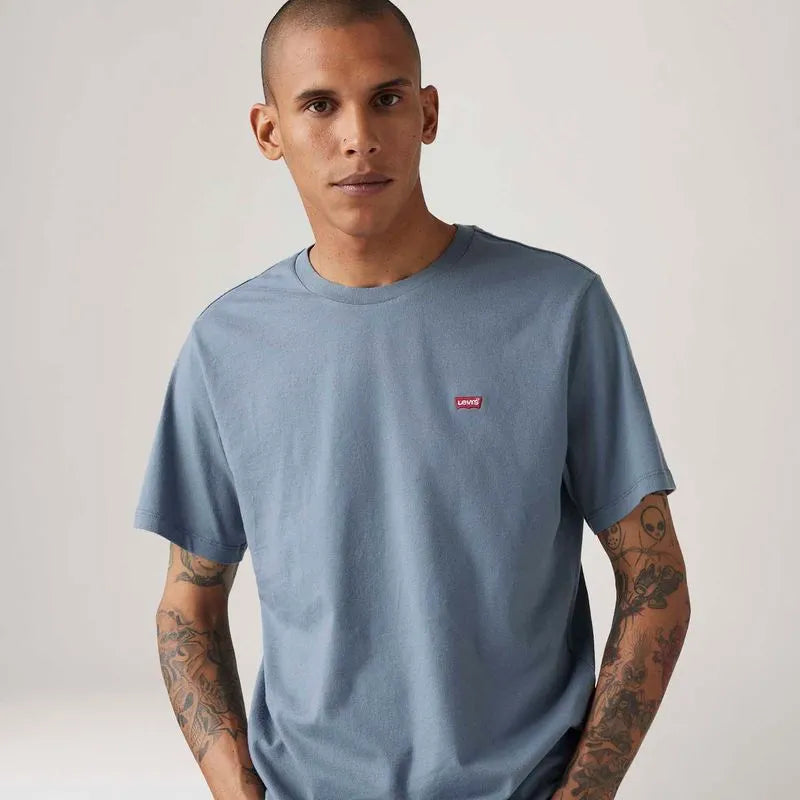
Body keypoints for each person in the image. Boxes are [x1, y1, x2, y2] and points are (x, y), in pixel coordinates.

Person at [132, 1, 691, 798]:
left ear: (427, 113)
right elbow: (187, 603)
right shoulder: (226, 345)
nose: (358, 135)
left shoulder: (558, 310)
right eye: (319, 105)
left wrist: (582, 794)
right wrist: (238, 790)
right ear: (268, 130)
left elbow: (655, 583)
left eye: (387, 98)